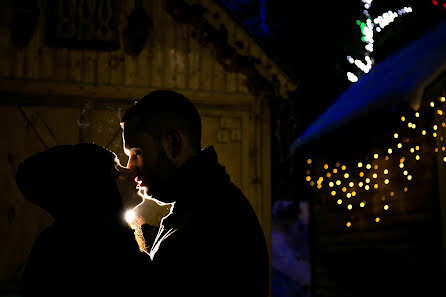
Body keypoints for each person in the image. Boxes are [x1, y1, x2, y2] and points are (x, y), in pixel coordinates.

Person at [121, 90, 270, 297]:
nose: (130, 167)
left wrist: (110, 215)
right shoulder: (202, 203)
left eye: (137, 152)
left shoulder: (213, 219)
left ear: (172, 143)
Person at [16, 143, 151, 297]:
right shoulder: (87, 255)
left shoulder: (57, 243)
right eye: (115, 172)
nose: (132, 174)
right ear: (92, 189)